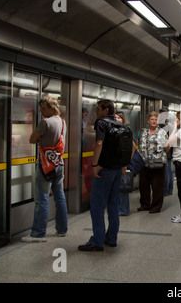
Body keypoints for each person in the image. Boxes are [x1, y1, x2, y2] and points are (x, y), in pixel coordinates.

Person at [78, 99, 133, 251]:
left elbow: (99, 143)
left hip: (105, 169)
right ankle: (112, 238)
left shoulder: (101, 123)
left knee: (97, 206)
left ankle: (97, 241)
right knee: (113, 205)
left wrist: (95, 164)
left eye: (98, 108)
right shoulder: (122, 125)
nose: (96, 111)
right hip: (117, 170)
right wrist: (124, 165)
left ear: (106, 110)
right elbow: (129, 147)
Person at [22, 97, 68, 242]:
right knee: (59, 196)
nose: (41, 111)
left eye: (43, 108)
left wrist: (39, 133)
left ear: (50, 107)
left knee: (41, 199)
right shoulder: (62, 121)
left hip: (45, 164)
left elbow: (32, 139)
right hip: (58, 163)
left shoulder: (45, 122)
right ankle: (62, 229)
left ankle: (38, 233)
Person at [138, 111, 169, 213]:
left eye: (156, 119)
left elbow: (167, 148)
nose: (154, 121)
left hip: (158, 163)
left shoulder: (162, 132)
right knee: (143, 185)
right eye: (152, 119)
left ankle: (156, 206)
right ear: (148, 121)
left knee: (157, 186)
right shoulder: (144, 132)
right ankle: (145, 204)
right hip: (144, 163)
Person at [115, 111, 133, 216]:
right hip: (116, 161)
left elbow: (132, 146)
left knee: (123, 186)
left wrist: (127, 161)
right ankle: (117, 208)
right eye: (115, 117)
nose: (116, 119)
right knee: (117, 186)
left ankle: (124, 209)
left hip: (122, 161)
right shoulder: (114, 130)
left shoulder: (126, 131)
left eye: (118, 118)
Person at [159, 109, 174, 196]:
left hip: (165, 150)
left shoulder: (163, 126)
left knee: (166, 170)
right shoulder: (171, 126)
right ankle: (169, 189)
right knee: (169, 170)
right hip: (169, 150)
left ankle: (165, 190)